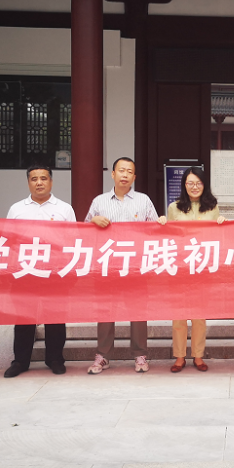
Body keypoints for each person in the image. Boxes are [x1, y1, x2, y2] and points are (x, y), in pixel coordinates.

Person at [84, 157, 159, 374]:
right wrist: (93, 221)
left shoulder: (143, 200)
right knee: (106, 311)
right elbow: (85, 230)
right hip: (108, 265)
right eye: (121, 170)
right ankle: (103, 355)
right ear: (113, 174)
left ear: (134, 177)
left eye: (129, 171)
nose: (125, 175)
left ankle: (140, 354)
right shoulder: (99, 202)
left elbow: (154, 230)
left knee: (138, 311)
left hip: (136, 266)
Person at [3, 165, 76, 378]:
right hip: (25, 271)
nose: (39, 182)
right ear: (28, 183)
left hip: (55, 272)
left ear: (51, 182)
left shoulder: (64, 209)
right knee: (24, 318)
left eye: (43, 178)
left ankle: (55, 359)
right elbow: (8, 240)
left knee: (55, 318)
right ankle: (20, 361)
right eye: (34, 179)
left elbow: (73, 240)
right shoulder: (17, 209)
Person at [159, 166, 225, 372]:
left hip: (202, 268)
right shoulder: (174, 207)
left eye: (198, 183)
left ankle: (198, 356)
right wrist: (162, 222)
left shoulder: (212, 207)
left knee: (199, 316)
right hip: (180, 267)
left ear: (204, 185)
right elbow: (168, 236)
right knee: (178, 316)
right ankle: (179, 356)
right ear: (184, 185)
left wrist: (222, 223)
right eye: (190, 183)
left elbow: (217, 237)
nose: (194, 187)